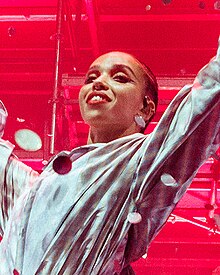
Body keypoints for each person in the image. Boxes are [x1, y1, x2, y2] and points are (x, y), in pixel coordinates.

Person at [0, 38, 219, 274]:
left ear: (145, 108)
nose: (99, 83)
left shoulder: (140, 163)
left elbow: (208, 98)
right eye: (91, 78)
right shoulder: (31, 190)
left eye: (120, 78)